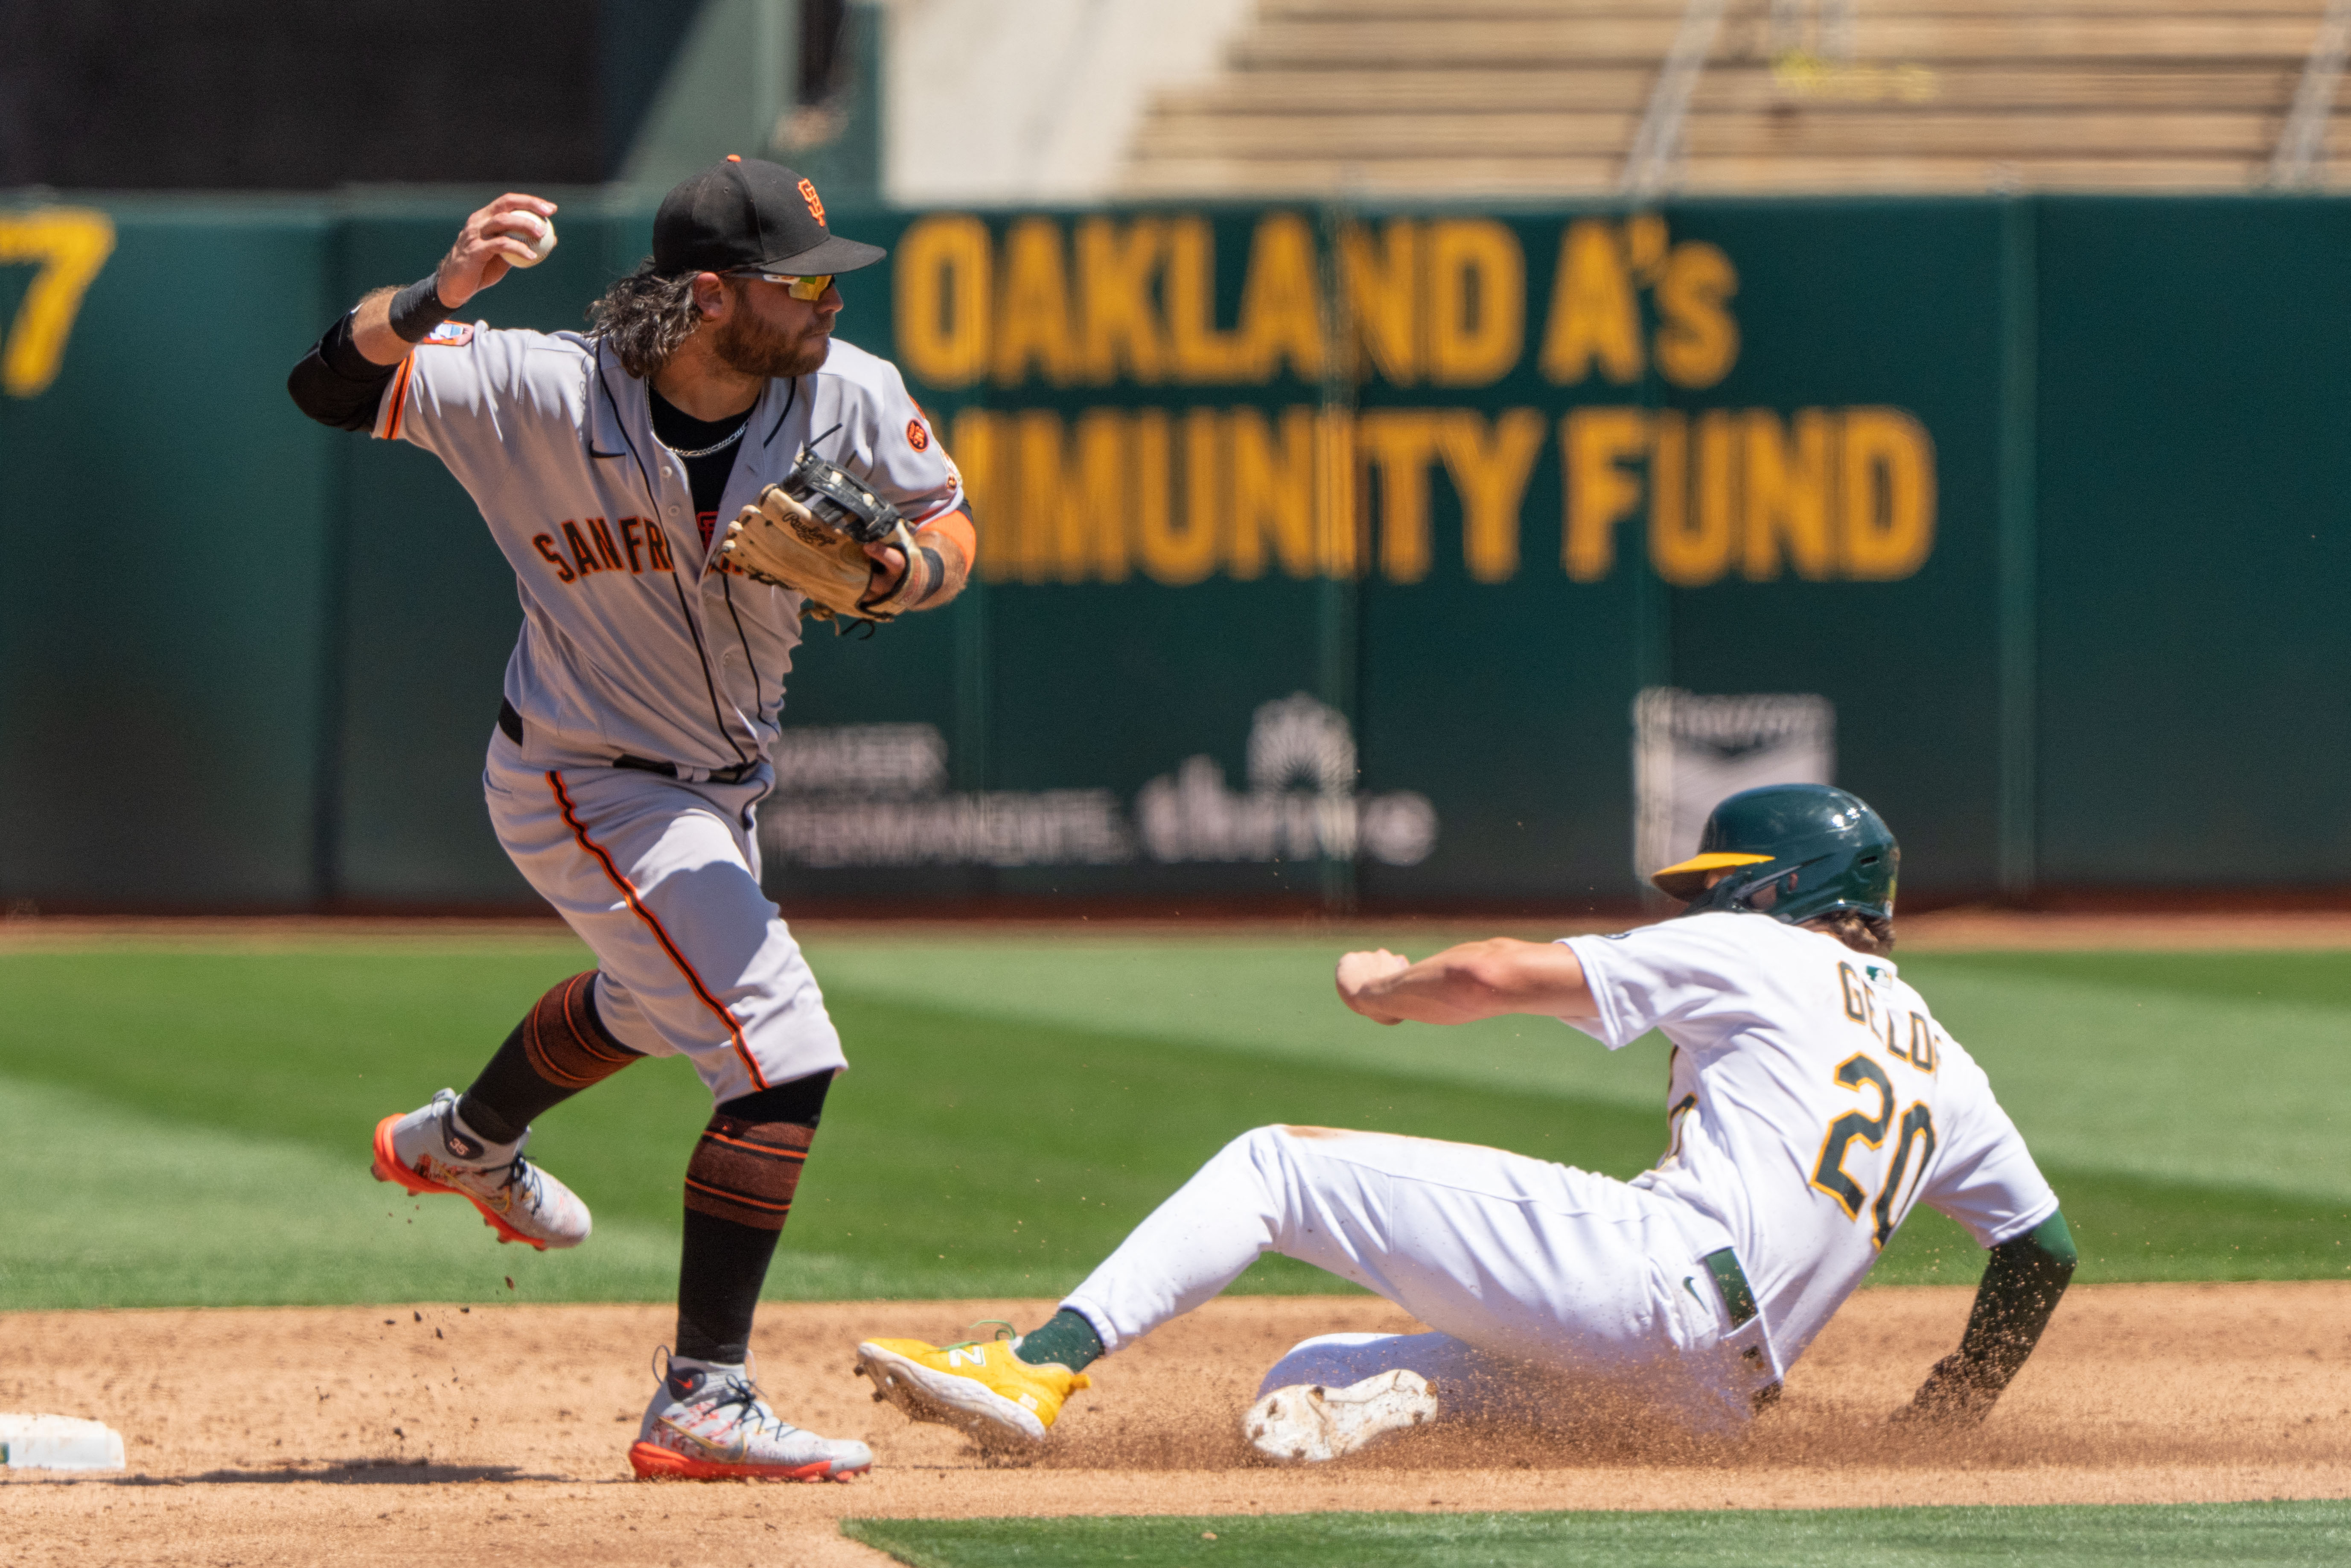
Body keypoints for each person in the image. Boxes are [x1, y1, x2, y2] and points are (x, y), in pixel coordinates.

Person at [287, 157, 975, 1483]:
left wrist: (900, 573)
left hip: (719, 788)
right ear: (713, 297)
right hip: (584, 774)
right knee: (777, 1040)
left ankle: (467, 1142)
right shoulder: (535, 386)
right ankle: (703, 1396)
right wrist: (436, 295)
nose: (831, 301)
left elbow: (951, 528)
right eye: (801, 283)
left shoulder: (851, 395)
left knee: (658, 1004)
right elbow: (326, 385)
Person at [853, 784, 2077, 1462]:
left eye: (1725, 881)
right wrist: (1950, 1411)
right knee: (1300, 1388)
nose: (1710, 899)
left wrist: (1383, 988)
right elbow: (2041, 1249)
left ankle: (1038, 1366)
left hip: (1649, 1281)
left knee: (1275, 1165)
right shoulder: (1945, 1063)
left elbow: (1495, 972)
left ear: (1776, 890)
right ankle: (1397, 1404)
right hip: (1709, 1395)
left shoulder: (1761, 950)